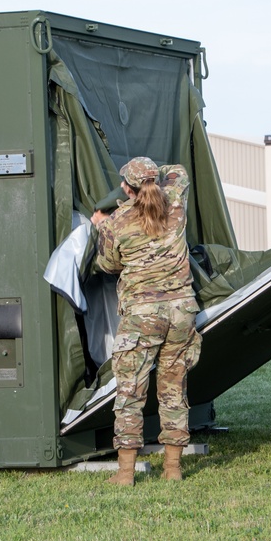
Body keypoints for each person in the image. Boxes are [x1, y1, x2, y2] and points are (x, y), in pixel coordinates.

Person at [91, 156, 202, 486]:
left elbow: (107, 265)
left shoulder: (116, 222)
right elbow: (179, 172)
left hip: (142, 316)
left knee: (130, 393)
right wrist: (152, 172)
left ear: (126, 188)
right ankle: (173, 469)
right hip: (181, 311)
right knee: (173, 390)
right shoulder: (176, 202)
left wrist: (101, 224)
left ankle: (125, 474)